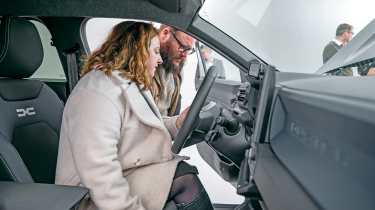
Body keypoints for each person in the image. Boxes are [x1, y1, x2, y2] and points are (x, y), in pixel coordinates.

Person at [55, 22, 213, 210]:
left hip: (124, 170)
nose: (160, 60)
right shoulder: (96, 92)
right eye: (155, 51)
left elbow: (142, 124)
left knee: (182, 172)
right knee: (184, 178)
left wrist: (178, 123)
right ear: (136, 51)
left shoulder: (128, 83)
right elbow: (99, 171)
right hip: (84, 195)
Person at [151, 25, 196, 117]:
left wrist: (177, 123)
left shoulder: (176, 72)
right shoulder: (144, 69)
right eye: (182, 47)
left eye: (188, 50)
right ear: (165, 34)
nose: (184, 56)